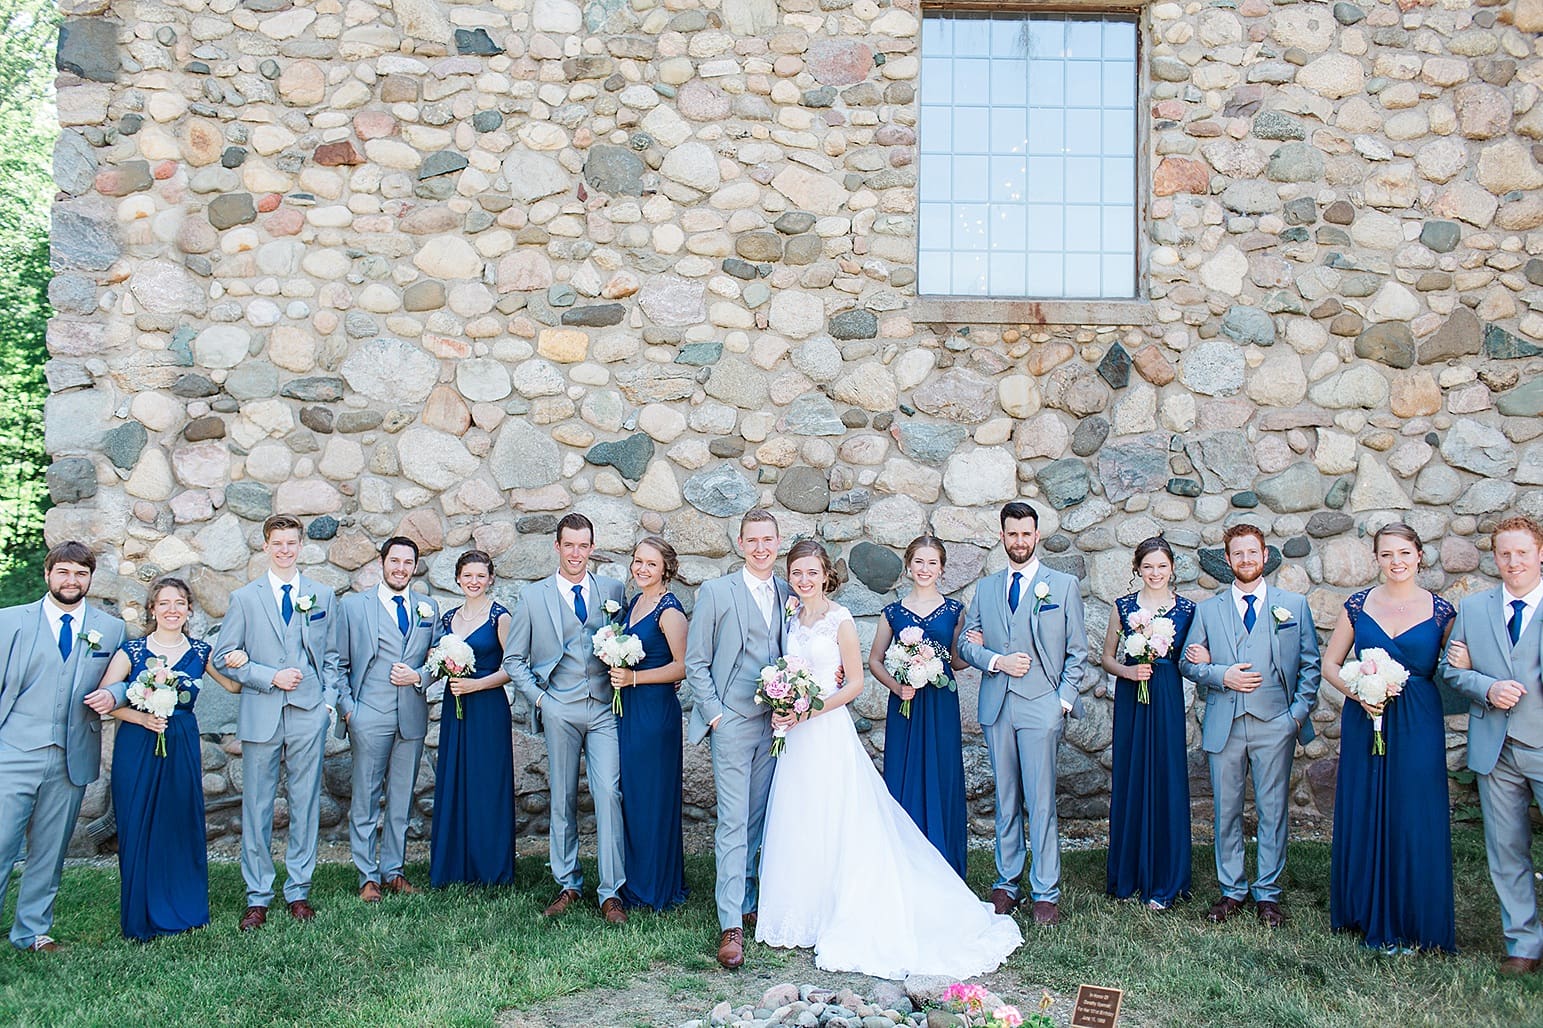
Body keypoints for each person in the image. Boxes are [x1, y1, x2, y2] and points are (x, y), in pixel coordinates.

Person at [756, 540, 1022, 978]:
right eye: (797, 573)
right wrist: (785, 701)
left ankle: (846, 904)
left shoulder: (840, 619)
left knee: (839, 814)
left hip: (824, 727)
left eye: (811, 572)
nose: (804, 580)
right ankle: (803, 908)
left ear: (826, 575)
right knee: (800, 814)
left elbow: (855, 683)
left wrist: (809, 709)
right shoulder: (789, 616)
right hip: (797, 733)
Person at [1319, 523, 1455, 954]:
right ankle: (1363, 909)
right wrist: (1359, 694)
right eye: (1386, 555)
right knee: (1366, 806)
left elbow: (1453, 673)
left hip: (1418, 722)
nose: (1395, 562)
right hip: (1367, 717)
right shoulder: (1358, 606)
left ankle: (1416, 917)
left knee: (1415, 812)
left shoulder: (1442, 613)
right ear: (1376, 559)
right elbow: (1330, 665)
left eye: (1403, 553)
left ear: (1419, 555)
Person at [1179, 523, 1320, 928]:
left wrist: (1294, 717)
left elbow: (1310, 665)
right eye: (1237, 554)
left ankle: (1269, 893)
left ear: (1265, 556)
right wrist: (1222, 674)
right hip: (1225, 722)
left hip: (1275, 722)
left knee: (1273, 809)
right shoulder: (1208, 610)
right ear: (1227, 561)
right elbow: (1189, 664)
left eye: (1252, 553)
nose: (1245, 560)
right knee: (1226, 810)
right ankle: (1232, 889)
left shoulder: (1292, 606)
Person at [85, 578, 239, 941]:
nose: (172, 609)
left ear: (189, 610)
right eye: (164, 603)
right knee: (137, 822)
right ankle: (141, 914)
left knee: (179, 822)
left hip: (181, 743)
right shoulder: (132, 651)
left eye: (180, 603)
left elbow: (233, 685)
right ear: (152, 609)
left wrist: (242, 659)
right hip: (137, 744)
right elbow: (106, 699)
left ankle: (185, 908)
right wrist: (142, 717)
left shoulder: (201, 652)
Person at [958, 501, 1087, 926]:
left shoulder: (1062, 586)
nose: (1019, 541)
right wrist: (995, 660)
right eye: (1012, 534)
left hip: (1041, 705)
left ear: (1036, 535)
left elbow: (1078, 652)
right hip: (998, 705)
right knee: (1006, 796)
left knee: (1042, 798)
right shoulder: (988, 588)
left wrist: (1061, 702)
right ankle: (1007, 881)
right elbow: (965, 647)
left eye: (1026, 534)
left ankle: (1046, 890)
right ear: (1002, 537)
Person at [212, 513, 341, 930]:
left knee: (305, 803)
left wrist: (328, 705)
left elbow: (335, 658)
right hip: (261, 712)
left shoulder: (322, 594)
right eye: (277, 543)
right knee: (258, 805)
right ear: (265, 547)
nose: (285, 550)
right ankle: (258, 895)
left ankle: (299, 890)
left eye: (291, 543)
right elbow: (222, 657)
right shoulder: (244, 598)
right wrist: (268, 676)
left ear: (301, 546)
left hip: (308, 713)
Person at [502, 513, 628, 924]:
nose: (576, 553)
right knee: (562, 795)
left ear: (592, 548)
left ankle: (610, 892)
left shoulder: (612, 591)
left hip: (605, 707)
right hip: (560, 707)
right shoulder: (534, 598)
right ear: (556, 547)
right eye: (569, 545)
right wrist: (542, 701)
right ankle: (568, 882)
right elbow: (514, 659)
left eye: (583, 545)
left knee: (608, 793)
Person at [0, 542, 125, 952]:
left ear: (90, 578)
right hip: (13, 752)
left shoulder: (110, 628)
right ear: (48, 574)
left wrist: (116, 694)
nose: (72, 581)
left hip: (71, 757)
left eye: (81, 574)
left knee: (50, 851)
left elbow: (124, 676)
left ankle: (32, 932)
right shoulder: (9, 622)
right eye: (64, 572)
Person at [684, 508, 791, 969]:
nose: (761, 547)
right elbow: (696, 661)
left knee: (758, 819)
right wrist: (716, 717)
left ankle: (748, 900)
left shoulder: (788, 592)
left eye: (768, 539)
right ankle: (730, 923)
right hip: (730, 723)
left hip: (776, 724)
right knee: (731, 822)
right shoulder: (715, 591)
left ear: (778, 541)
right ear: (741, 543)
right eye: (753, 540)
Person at [1440, 515, 1543, 974]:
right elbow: (1451, 670)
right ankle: (1523, 943)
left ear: (1540, 554)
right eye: (1505, 553)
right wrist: (1485, 685)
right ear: (1494, 557)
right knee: (1506, 848)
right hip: (1494, 747)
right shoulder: (1475, 608)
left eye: (1522, 552)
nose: (1513, 561)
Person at [336, 536, 441, 901]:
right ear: (381, 563)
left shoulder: (428, 607)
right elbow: (338, 663)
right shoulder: (353, 607)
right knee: (365, 797)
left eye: (407, 563)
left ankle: (393, 870)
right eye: (394, 561)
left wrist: (421, 677)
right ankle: (368, 875)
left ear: (415, 566)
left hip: (411, 715)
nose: (400, 568)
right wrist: (350, 710)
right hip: (369, 714)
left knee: (402, 798)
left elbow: (438, 659)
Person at [1097, 536, 1195, 911]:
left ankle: (1166, 877)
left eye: (1162, 566)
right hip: (1132, 696)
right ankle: (1128, 874)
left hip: (1166, 694)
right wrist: (1128, 670)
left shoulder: (1187, 610)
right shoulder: (1122, 607)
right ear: (1137, 568)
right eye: (1148, 566)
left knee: (1167, 776)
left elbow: (1190, 657)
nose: (1155, 573)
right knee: (1132, 774)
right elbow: (1107, 658)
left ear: (1172, 569)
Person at [867, 534, 969, 877]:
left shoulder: (955, 611)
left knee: (942, 773)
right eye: (919, 562)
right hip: (905, 706)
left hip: (940, 703)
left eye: (932, 563)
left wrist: (976, 648)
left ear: (941, 568)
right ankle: (904, 865)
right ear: (908, 566)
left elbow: (956, 661)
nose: (925, 569)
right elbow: (876, 660)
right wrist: (898, 685)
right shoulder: (893, 612)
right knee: (904, 772)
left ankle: (943, 861)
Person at [429, 549, 515, 888]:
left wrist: (477, 683)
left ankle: (490, 868)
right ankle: (454, 866)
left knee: (486, 784)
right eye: (468, 576)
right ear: (458, 579)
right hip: (456, 707)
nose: (474, 581)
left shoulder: (500, 617)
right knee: (456, 781)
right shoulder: (448, 619)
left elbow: (512, 667)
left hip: (488, 707)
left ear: (490, 578)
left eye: (481, 576)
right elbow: (436, 661)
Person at [615, 536, 688, 911]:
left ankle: (655, 887)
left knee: (653, 797)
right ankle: (635, 878)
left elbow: (681, 667)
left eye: (650, 564)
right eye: (638, 562)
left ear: (665, 569)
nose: (642, 569)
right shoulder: (634, 603)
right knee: (635, 796)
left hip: (654, 714)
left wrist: (634, 679)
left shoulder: (669, 611)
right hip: (628, 709)